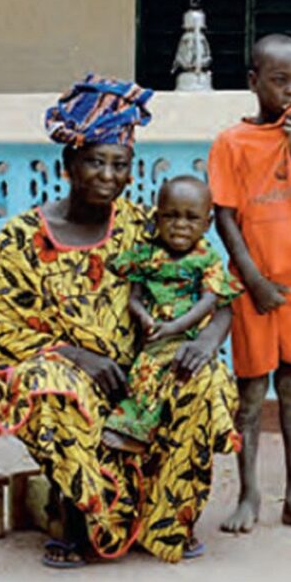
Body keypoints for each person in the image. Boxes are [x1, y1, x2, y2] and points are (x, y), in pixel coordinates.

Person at [0, 75, 239, 566]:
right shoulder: (20, 238)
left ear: (131, 173)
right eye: (94, 162)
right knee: (50, 385)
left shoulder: (152, 225)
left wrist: (207, 342)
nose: (106, 174)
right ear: (69, 166)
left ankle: (167, 519)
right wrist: (80, 356)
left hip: (144, 368)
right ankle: (79, 515)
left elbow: (219, 288)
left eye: (118, 165)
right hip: (64, 369)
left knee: (202, 376)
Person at [209, 34, 291, 534]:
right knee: (250, 393)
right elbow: (224, 218)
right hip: (252, 285)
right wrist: (254, 279)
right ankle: (248, 495)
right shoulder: (231, 142)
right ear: (253, 82)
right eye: (280, 80)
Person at [103, 176, 242, 454]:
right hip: (155, 338)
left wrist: (176, 326)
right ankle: (135, 432)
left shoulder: (206, 258)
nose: (180, 225)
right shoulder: (148, 255)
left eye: (191, 218)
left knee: (189, 377)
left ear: (207, 223)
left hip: (188, 339)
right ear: (157, 217)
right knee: (144, 378)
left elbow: (209, 301)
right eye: (171, 216)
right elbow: (134, 297)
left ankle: (216, 431)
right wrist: (144, 317)